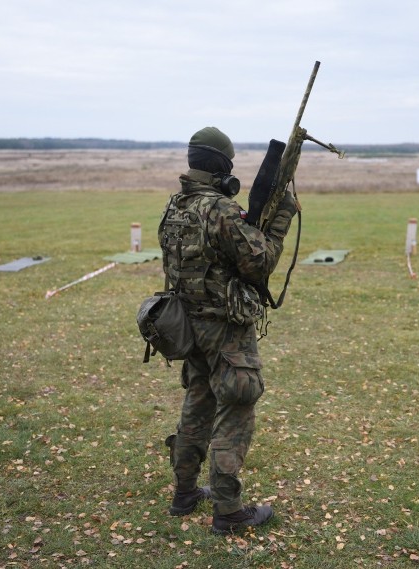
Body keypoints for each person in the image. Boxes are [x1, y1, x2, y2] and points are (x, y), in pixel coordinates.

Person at [159, 126, 297, 535]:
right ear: (221, 166)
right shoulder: (219, 210)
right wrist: (281, 219)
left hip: (187, 324)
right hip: (224, 327)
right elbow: (259, 263)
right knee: (235, 408)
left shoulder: (175, 206)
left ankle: (184, 493)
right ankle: (229, 511)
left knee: (198, 404)